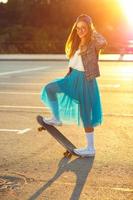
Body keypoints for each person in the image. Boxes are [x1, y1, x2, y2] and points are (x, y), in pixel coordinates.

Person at [41, 14, 107, 157]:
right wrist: (66, 78)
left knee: (85, 115)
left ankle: (90, 148)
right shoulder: (77, 44)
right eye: (78, 28)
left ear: (89, 28)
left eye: (83, 28)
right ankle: (56, 118)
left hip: (85, 81)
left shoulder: (93, 43)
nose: (80, 31)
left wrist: (92, 30)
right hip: (72, 79)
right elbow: (72, 65)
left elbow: (104, 42)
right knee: (50, 88)